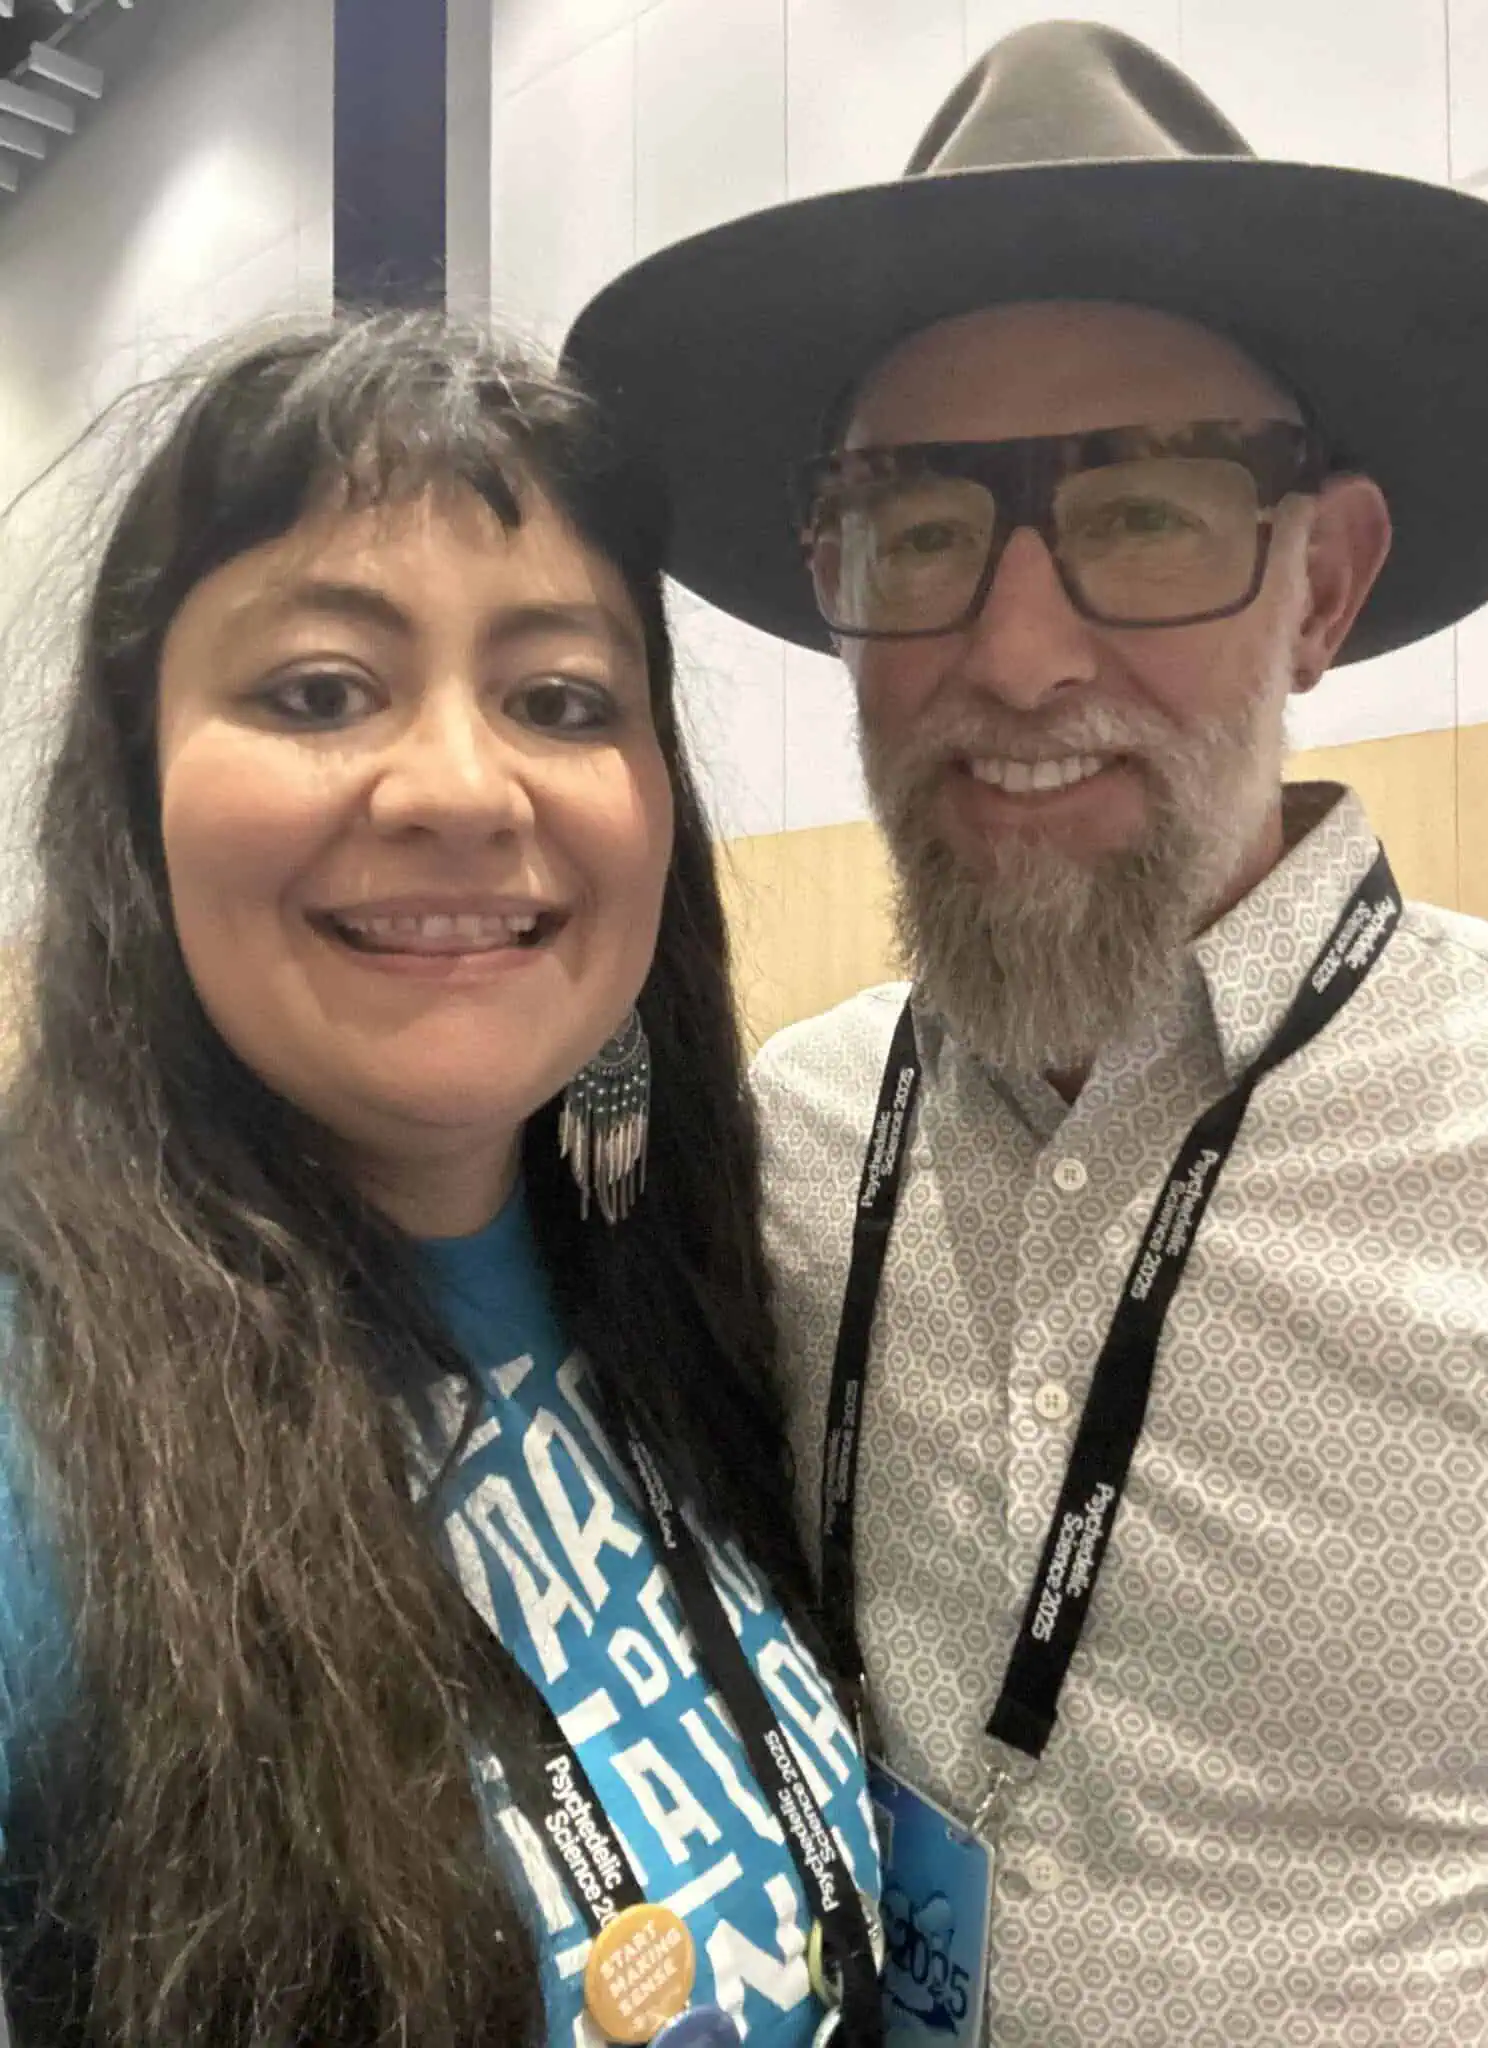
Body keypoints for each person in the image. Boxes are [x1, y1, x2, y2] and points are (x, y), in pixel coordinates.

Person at [566, 20, 1488, 2047]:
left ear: (1325, 585)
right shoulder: (792, 1132)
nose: (1012, 656)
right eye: (919, 530)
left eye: (1152, 514)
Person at [0, 313, 884, 2048]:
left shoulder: (705, 1284)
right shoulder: (45, 1422)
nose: (465, 790)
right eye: (320, 691)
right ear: (139, 784)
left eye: (559, 701)